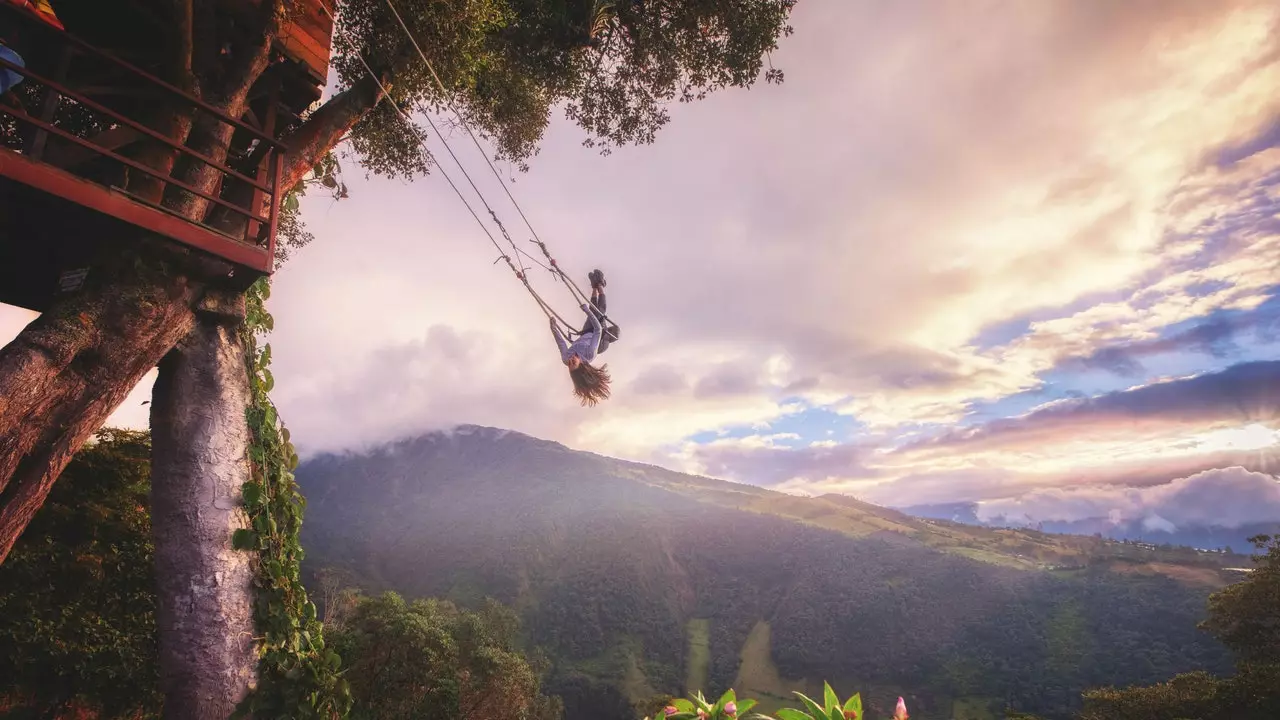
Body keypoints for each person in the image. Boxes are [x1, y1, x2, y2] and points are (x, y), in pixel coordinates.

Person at [551, 270, 612, 406]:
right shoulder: (590, 354)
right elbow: (598, 329)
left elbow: (560, 342)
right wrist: (587, 311)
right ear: (582, 365)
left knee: (592, 308)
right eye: (574, 363)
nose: (571, 360)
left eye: (570, 365)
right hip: (599, 338)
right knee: (599, 310)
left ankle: (594, 287)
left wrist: (553, 327)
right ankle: (600, 284)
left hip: (585, 334)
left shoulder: (566, 359)